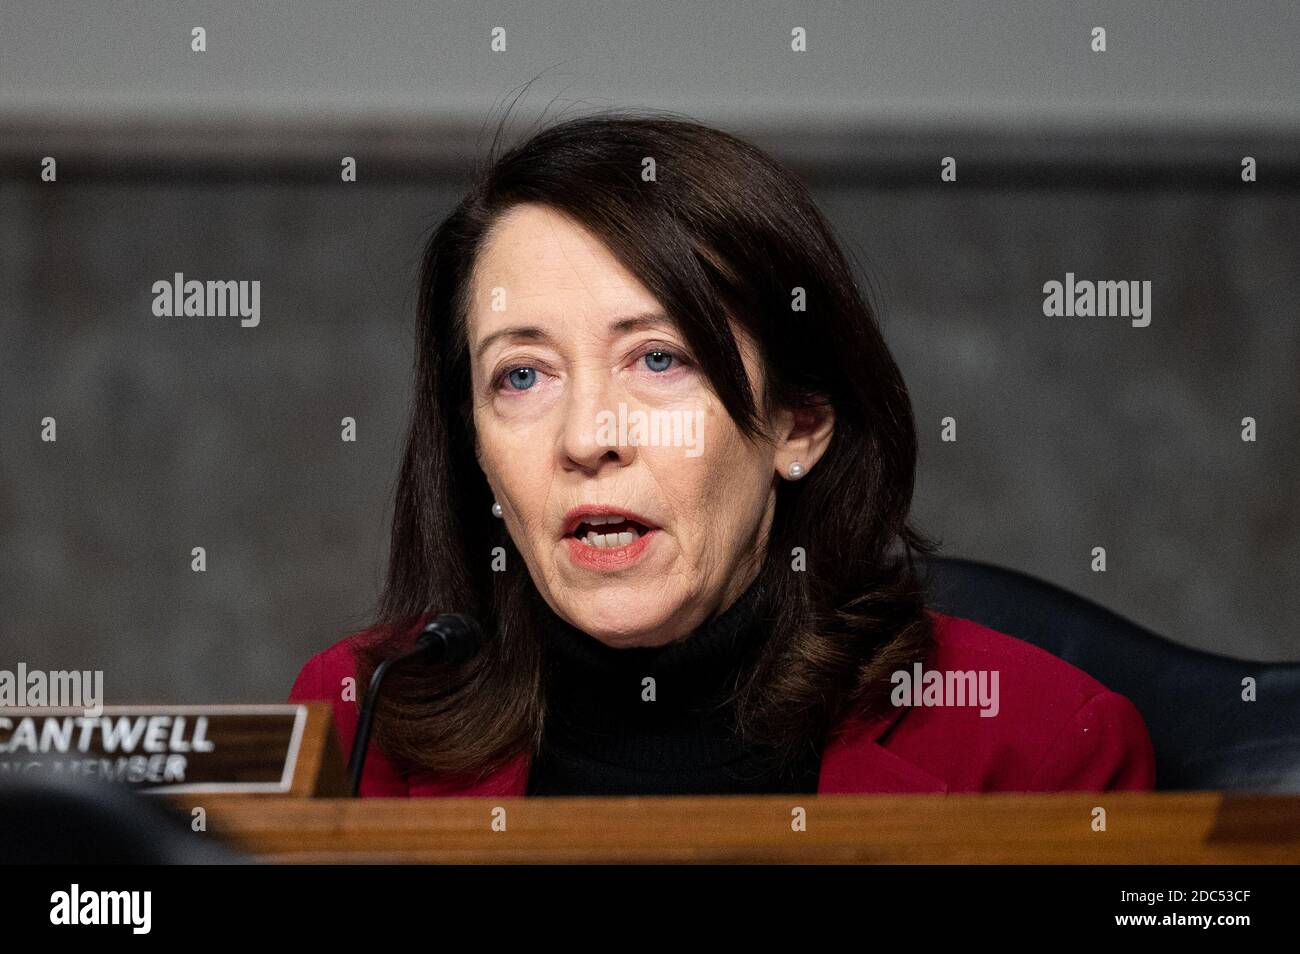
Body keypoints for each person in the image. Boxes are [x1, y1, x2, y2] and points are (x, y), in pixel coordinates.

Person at [289, 111, 1155, 797]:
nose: (589, 439)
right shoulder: (358, 720)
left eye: (660, 360)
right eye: (522, 376)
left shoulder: (1039, 746)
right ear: (473, 443)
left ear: (798, 423)